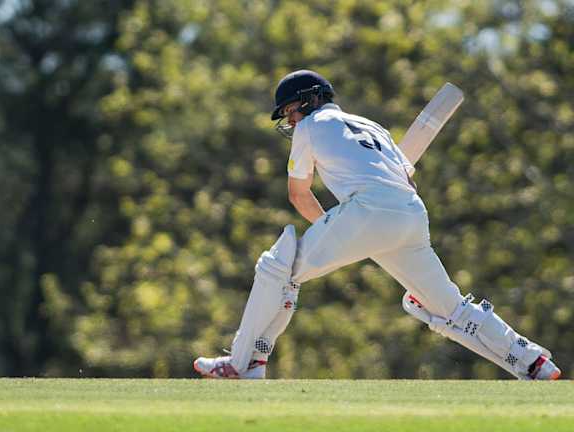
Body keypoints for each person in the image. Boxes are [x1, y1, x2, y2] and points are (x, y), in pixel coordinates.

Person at [193, 70, 561, 380]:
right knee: (449, 307)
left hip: (367, 210)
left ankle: (244, 363)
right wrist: (343, 233)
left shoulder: (312, 125)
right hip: (411, 213)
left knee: (277, 265)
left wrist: (338, 231)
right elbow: (406, 181)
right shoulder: (374, 126)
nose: (290, 121)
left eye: (290, 111)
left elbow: (298, 194)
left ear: (309, 100)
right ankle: (533, 361)